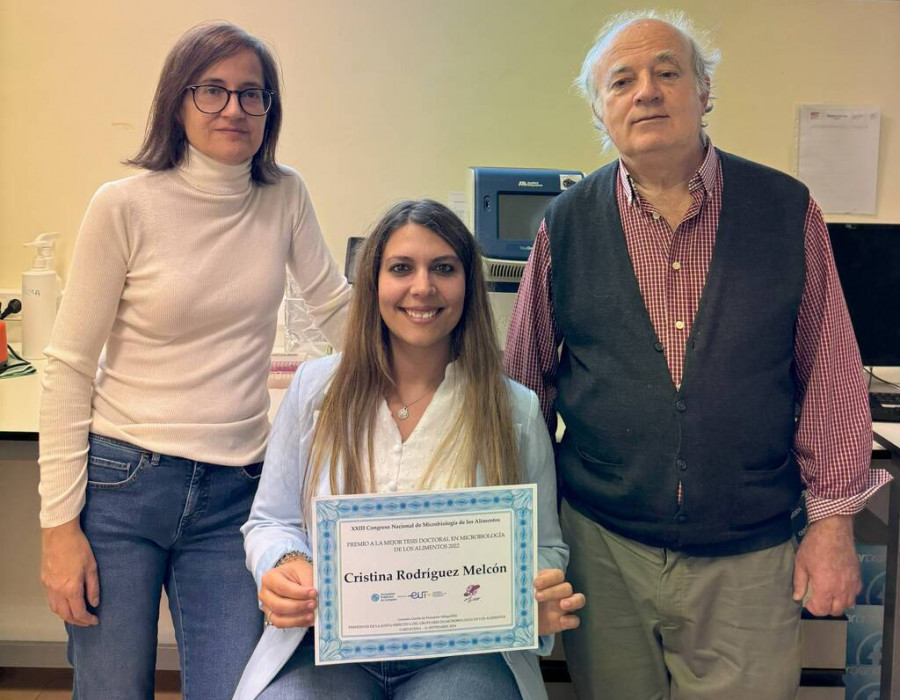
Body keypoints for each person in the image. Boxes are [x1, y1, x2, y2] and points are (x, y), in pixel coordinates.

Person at [503, 10, 891, 700]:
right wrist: (519, 541)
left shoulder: (785, 210)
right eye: (622, 80)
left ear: (703, 91)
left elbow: (831, 373)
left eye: (667, 72)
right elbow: (522, 393)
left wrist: (832, 526)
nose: (646, 91)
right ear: (600, 109)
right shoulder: (564, 226)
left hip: (749, 554)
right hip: (604, 550)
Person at [38, 22, 351, 699]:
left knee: (238, 690)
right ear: (177, 102)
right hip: (123, 484)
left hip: (233, 494)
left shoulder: (283, 195)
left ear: (270, 110)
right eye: (213, 91)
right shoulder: (124, 206)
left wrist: (439, 354)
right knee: (112, 690)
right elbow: (67, 369)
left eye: (252, 94)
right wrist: (58, 530)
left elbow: (334, 308)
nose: (234, 109)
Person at [234, 199, 585, 700]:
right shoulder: (315, 390)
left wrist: (537, 591)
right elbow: (270, 521)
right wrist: (284, 564)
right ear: (374, 283)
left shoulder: (515, 410)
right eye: (402, 268)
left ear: (468, 285)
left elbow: (545, 544)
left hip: (463, 652)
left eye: (444, 268)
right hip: (329, 646)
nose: (423, 287)